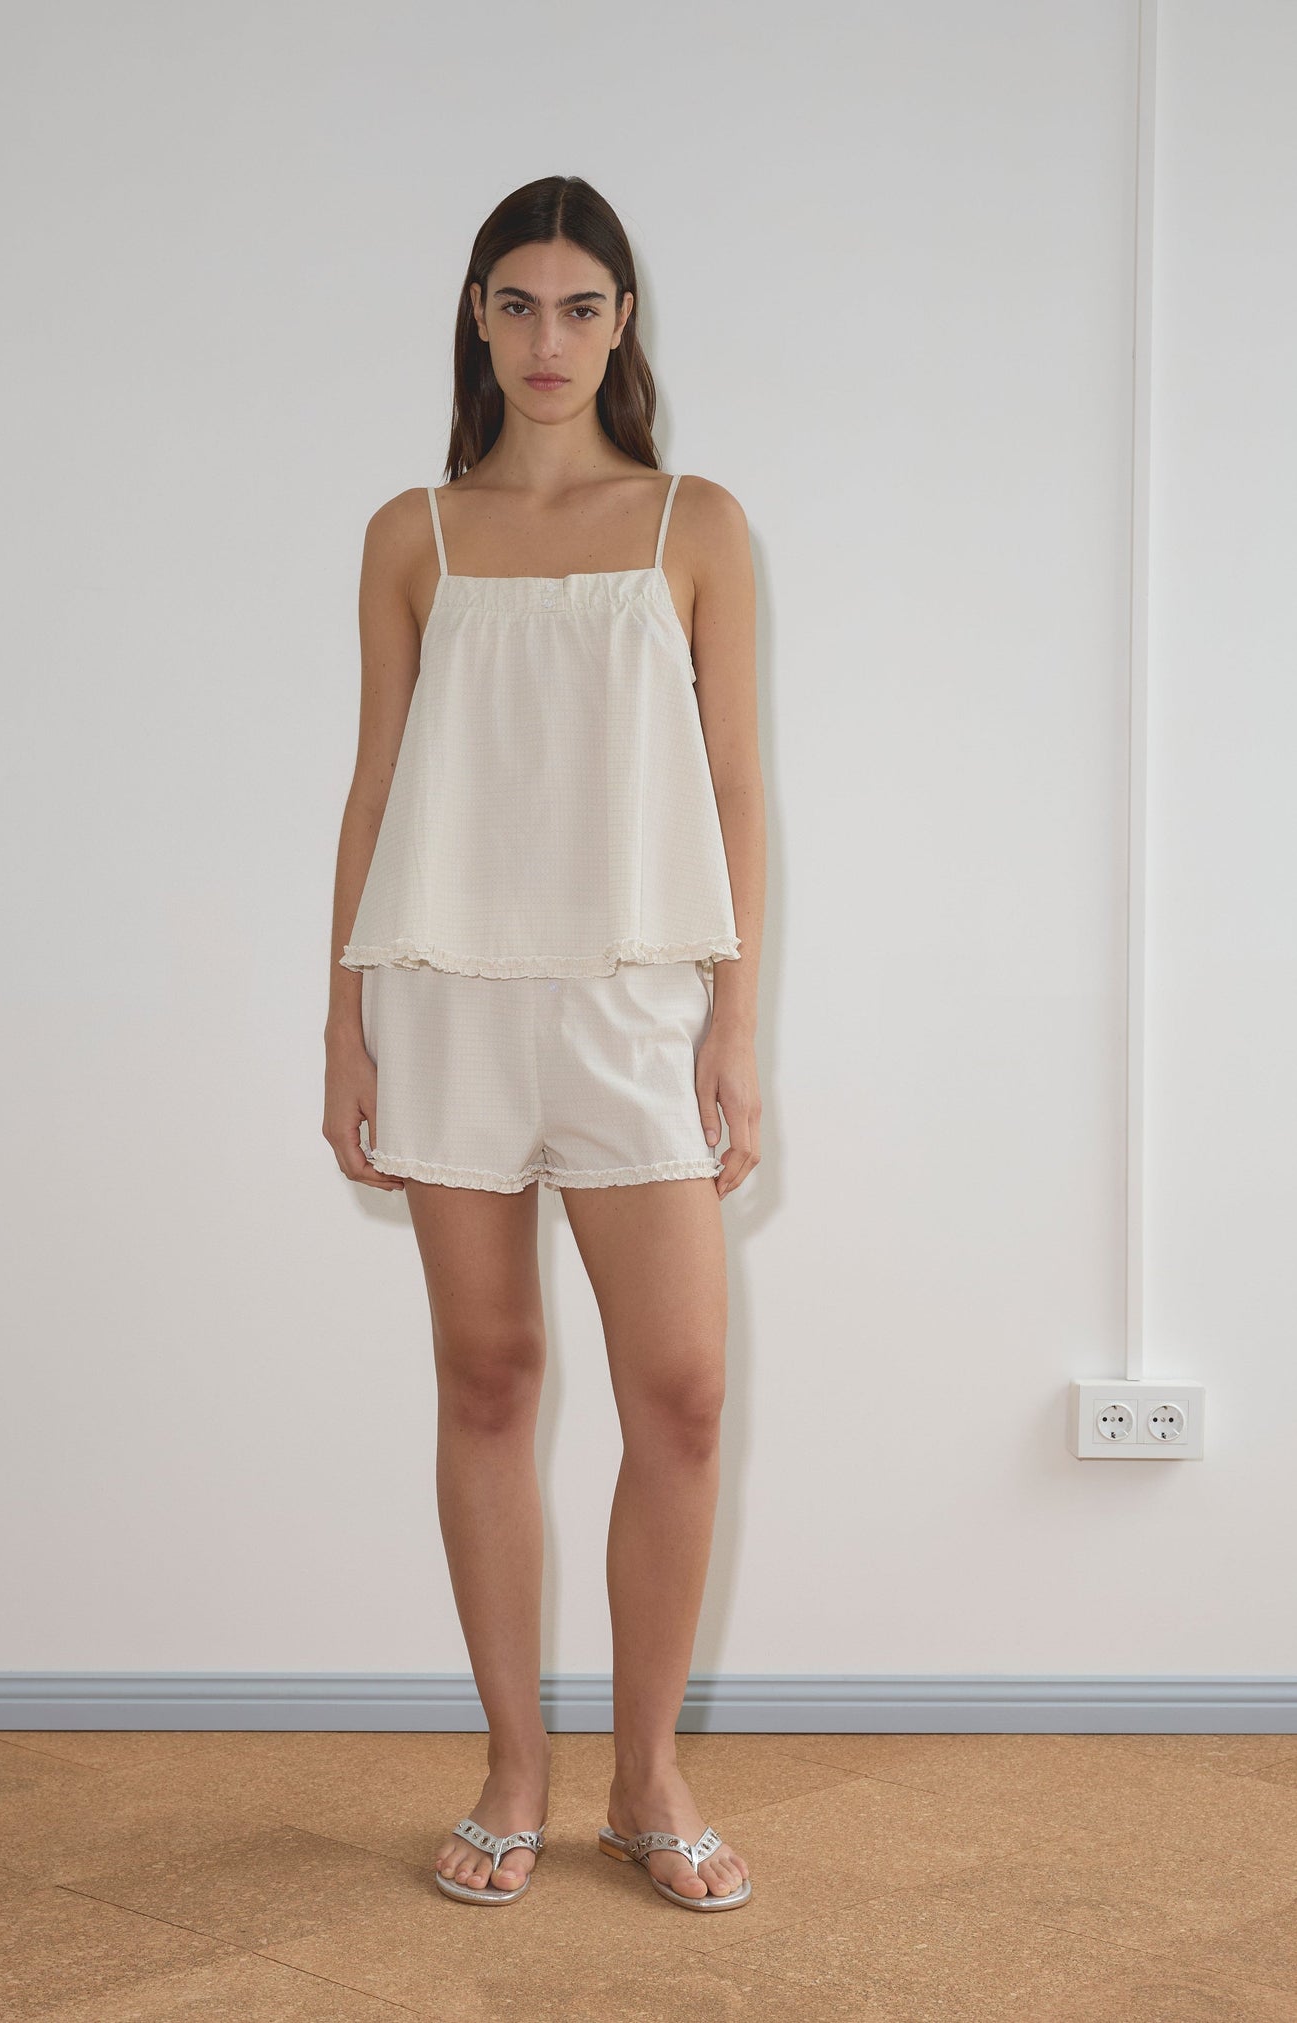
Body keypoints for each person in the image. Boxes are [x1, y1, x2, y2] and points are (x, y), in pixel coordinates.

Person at [323, 174, 765, 1912]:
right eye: (516, 304)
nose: (547, 339)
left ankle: (646, 1783)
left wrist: (734, 1021)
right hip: (446, 998)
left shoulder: (694, 526)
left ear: (621, 322)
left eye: (580, 307)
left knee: (684, 1397)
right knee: (489, 1378)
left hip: (636, 1002)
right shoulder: (412, 536)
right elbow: (374, 786)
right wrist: (342, 1021)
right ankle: (514, 1770)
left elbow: (736, 791)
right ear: (476, 317)